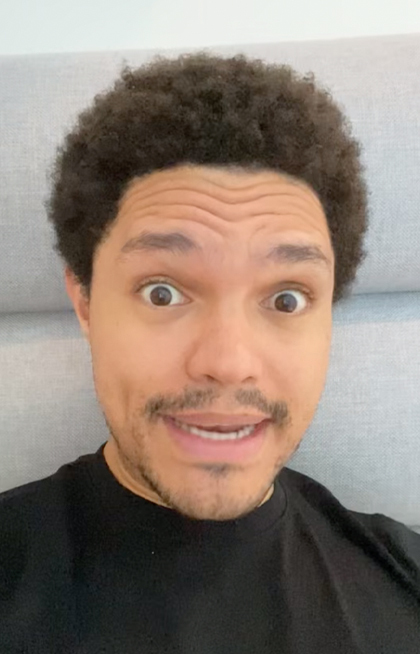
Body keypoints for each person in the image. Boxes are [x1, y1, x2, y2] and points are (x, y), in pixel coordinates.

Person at [1, 51, 419, 653]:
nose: (227, 362)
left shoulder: (403, 576)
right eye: (163, 292)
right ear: (85, 303)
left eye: (287, 299)